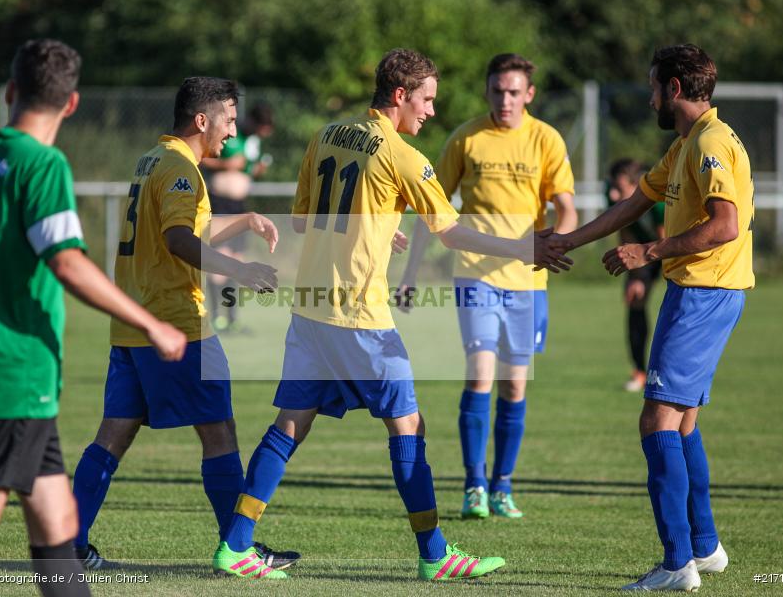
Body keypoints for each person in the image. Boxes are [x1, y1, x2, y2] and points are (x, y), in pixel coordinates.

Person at [212, 48, 572, 581]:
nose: (430, 111)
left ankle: (235, 546)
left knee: (289, 425)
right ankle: (435, 556)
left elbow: (306, 225)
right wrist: (525, 250)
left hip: (311, 312)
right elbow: (450, 230)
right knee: (408, 424)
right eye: (426, 100)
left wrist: (376, 227)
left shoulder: (327, 136)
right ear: (400, 95)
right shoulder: (403, 155)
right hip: (360, 317)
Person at [0, 39, 187, 597]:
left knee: (58, 519)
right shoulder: (41, 165)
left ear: (11, 92)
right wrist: (151, 323)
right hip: (12, 373)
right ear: (71, 105)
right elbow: (66, 263)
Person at [70, 77, 298, 574]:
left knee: (113, 434)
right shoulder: (181, 168)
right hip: (176, 321)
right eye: (229, 120)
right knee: (219, 431)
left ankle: (69, 544)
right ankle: (237, 549)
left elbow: (185, 228)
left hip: (133, 325)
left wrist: (246, 219)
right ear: (202, 120)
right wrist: (240, 269)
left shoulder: (153, 159)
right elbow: (178, 240)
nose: (233, 132)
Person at [550, 44, 752, 591]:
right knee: (682, 421)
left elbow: (725, 224)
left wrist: (650, 253)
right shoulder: (687, 142)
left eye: (653, 86)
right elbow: (632, 206)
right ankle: (704, 547)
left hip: (704, 293)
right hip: (699, 293)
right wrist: (566, 240)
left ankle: (676, 563)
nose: (649, 97)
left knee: (656, 421)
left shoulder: (710, 143)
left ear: (675, 89)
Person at [397, 53, 577, 520]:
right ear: (487, 91)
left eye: (514, 92)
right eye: (498, 91)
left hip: (528, 283)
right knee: (480, 374)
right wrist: (411, 273)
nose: (505, 100)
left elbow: (566, 205)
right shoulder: (467, 138)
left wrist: (563, 239)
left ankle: (503, 486)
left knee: (514, 386)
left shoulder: (545, 140)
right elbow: (430, 206)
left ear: (529, 94)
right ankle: (474, 484)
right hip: (474, 273)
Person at [200, 102, 275, 332]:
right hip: (220, 202)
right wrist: (226, 165)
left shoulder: (254, 142)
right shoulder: (230, 134)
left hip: (239, 205)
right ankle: (216, 317)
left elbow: (247, 168)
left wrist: (254, 170)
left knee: (237, 259)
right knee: (219, 260)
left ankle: (232, 318)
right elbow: (202, 158)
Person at [605, 159, 665, 391]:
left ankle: (658, 373)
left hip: (667, 253)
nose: (612, 193)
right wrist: (632, 273)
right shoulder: (615, 199)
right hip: (640, 255)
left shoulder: (658, 204)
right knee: (634, 303)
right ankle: (640, 371)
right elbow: (625, 233)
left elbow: (665, 244)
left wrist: (642, 278)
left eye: (619, 188)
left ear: (637, 186)